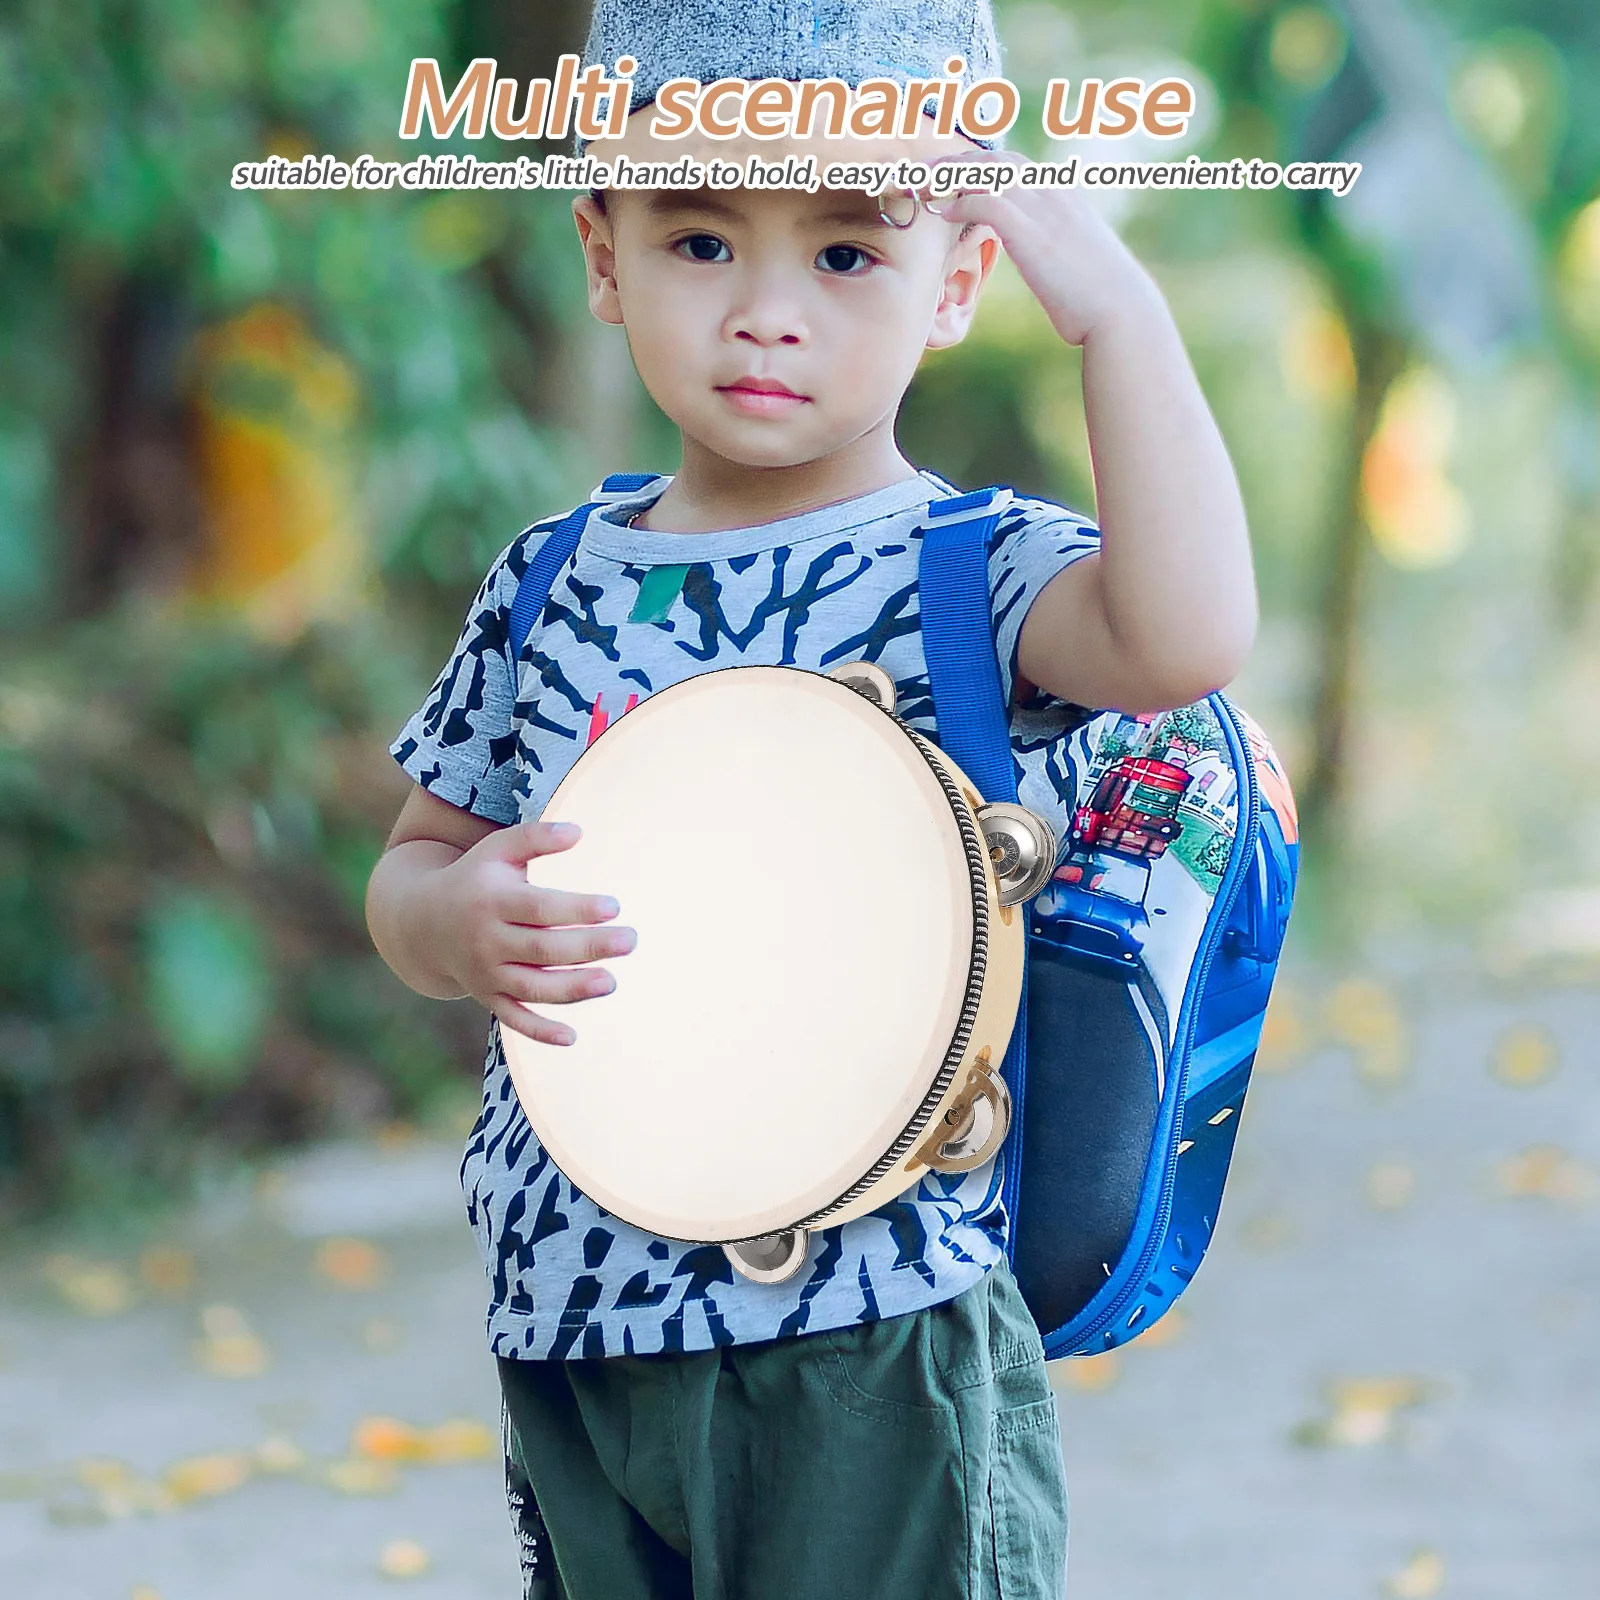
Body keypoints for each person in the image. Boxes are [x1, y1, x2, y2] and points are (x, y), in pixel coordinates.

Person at [365, 2, 1257, 1595]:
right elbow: (416, 868)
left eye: (847, 254)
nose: (767, 314)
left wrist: (1117, 315)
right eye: (701, 240)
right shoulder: (553, 581)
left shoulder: (969, 570)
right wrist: (453, 921)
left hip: (876, 1317)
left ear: (956, 280)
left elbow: (1182, 639)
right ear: (603, 252)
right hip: (578, 1308)